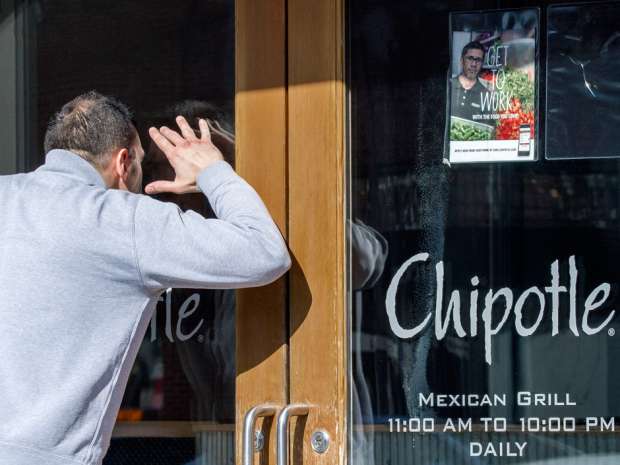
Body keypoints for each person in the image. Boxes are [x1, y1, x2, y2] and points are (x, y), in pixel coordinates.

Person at [0, 91, 291, 465]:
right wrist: (213, 173)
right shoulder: (123, 220)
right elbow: (264, 253)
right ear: (123, 162)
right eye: (142, 165)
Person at [450, 41, 490, 121]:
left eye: (478, 60)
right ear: (462, 61)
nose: (474, 64)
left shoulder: (486, 94)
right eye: (470, 58)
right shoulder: (449, 86)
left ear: (482, 64)